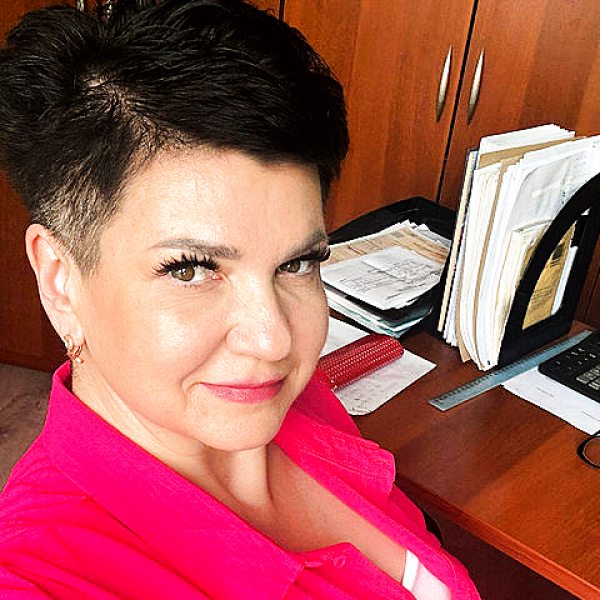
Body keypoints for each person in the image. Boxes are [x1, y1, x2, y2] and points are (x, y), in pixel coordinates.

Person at [0, 1, 480, 598]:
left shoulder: (277, 398)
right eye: (191, 269)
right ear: (60, 280)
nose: (274, 339)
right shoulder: (40, 574)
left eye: (297, 263)